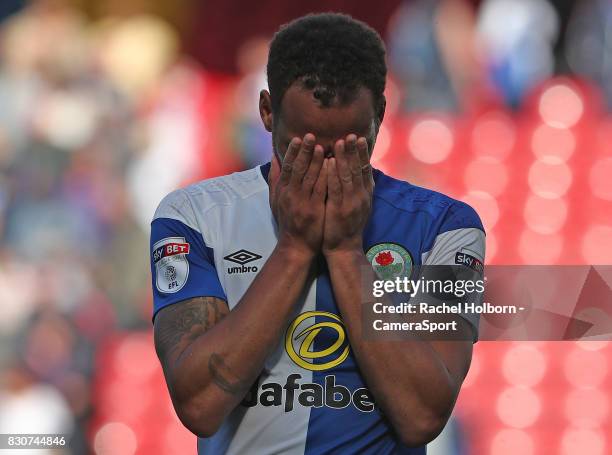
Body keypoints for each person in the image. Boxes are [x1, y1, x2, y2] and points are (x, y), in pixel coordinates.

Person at [150, 13, 485, 455]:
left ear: (380, 115)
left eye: (350, 147)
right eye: (303, 148)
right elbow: (199, 405)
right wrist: (294, 248)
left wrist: (346, 252)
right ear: (267, 113)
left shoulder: (446, 227)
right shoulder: (192, 216)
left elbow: (422, 415)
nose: (326, 167)